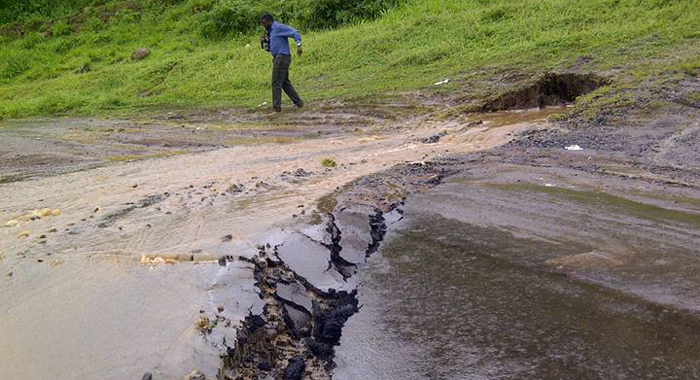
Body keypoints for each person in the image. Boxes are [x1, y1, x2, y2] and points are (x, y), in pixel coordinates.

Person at [260, 13, 304, 116]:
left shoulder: (279, 27)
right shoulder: (269, 31)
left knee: (276, 83)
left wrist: (298, 45)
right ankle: (298, 102)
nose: (263, 25)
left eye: (264, 23)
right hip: (278, 57)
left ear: (269, 21)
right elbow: (272, 46)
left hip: (282, 57)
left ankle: (277, 109)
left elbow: (295, 32)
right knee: (284, 82)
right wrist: (267, 45)